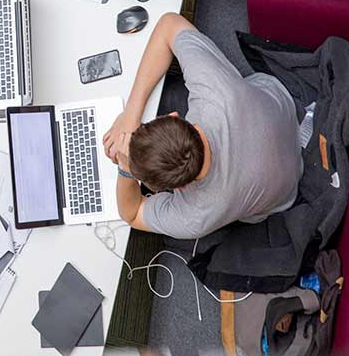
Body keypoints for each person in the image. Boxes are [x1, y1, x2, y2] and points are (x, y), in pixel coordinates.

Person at [102, 13, 302, 239]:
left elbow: (131, 213)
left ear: (171, 189)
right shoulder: (214, 92)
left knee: (164, 91)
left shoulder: (196, 217)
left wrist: (126, 167)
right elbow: (169, 23)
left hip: (281, 189)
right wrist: (132, 113)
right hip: (281, 111)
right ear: (176, 117)